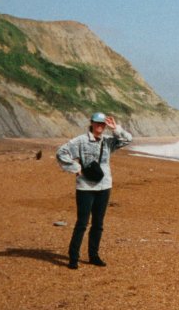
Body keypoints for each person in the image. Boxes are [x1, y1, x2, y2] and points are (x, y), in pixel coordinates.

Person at [55, 112, 133, 269]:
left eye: (102, 124)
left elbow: (127, 140)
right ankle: (73, 258)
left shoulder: (108, 141)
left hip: (105, 186)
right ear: (91, 123)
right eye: (97, 123)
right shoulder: (81, 140)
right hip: (85, 187)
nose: (100, 126)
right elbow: (61, 153)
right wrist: (76, 168)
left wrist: (115, 128)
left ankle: (93, 255)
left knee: (98, 223)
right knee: (82, 223)